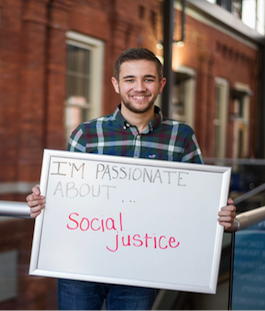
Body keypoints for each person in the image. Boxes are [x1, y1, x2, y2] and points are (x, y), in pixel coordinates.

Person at [26, 47, 237, 311]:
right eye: (129, 79)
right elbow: (67, 195)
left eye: (148, 79)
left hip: (141, 268)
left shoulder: (181, 137)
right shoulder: (87, 134)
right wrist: (45, 198)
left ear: (160, 84)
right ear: (116, 84)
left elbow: (198, 204)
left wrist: (220, 214)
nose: (139, 87)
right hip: (81, 265)